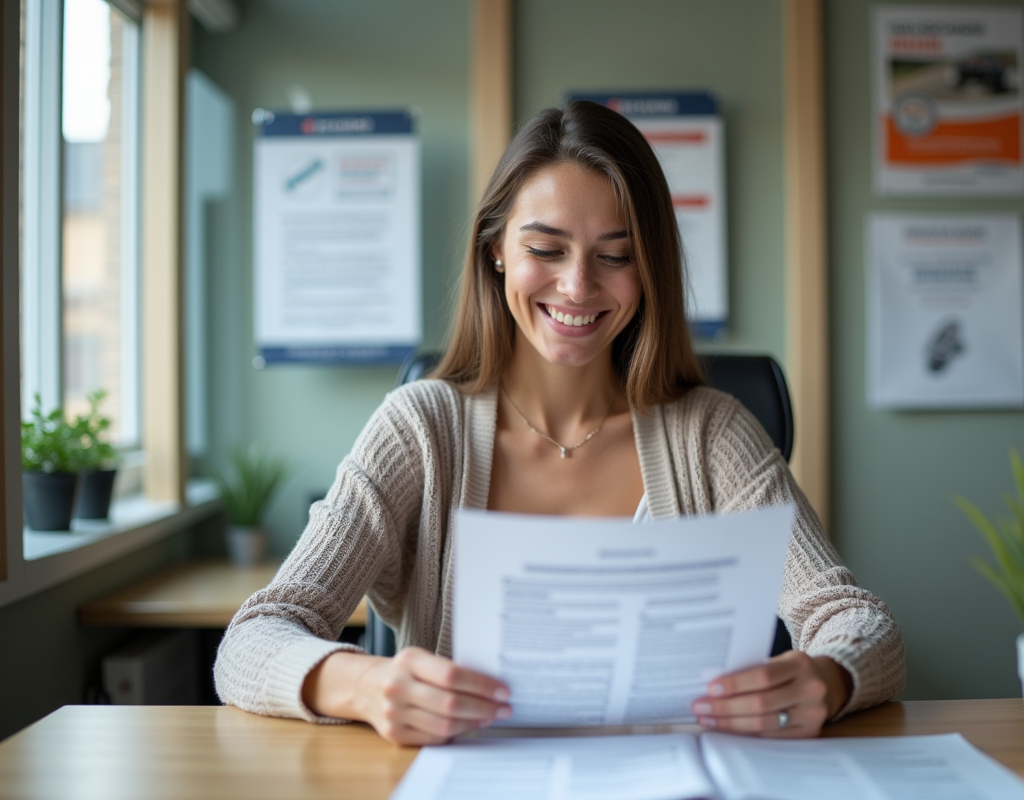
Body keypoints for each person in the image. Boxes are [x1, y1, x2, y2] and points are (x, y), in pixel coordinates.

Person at [214, 101, 905, 745]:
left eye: (616, 255)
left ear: (649, 269)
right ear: (496, 249)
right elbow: (253, 639)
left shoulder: (712, 434)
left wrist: (827, 678)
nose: (578, 286)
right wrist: (366, 684)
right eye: (546, 250)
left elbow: (859, 622)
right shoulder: (419, 429)